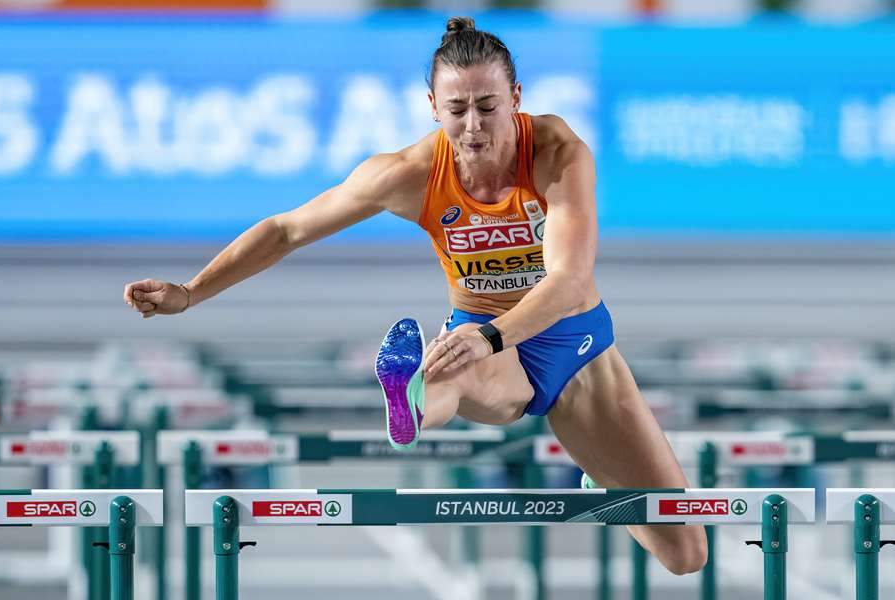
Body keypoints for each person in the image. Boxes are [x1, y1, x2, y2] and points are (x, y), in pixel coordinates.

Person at [124, 17, 707, 575]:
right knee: (447, 372)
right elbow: (286, 230)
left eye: (488, 107)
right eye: (456, 110)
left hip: (573, 343)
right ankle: (411, 398)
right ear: (433, 108)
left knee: (686, 554)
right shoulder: (407, 173)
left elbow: (570, 281)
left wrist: (490, 335)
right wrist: (191, 291)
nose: (473, 126)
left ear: (516, 98)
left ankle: (596, 467)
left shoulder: (556, 152)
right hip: (481, 344)